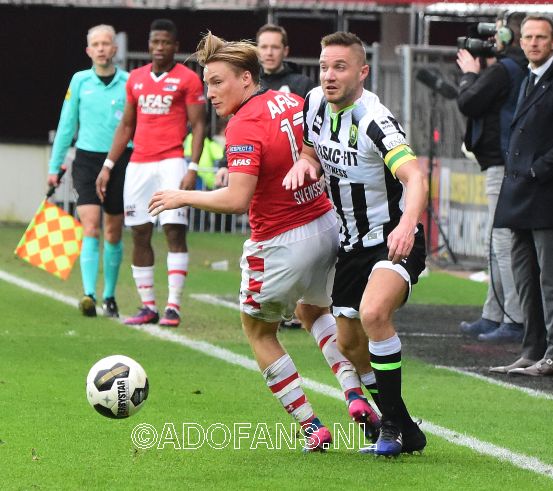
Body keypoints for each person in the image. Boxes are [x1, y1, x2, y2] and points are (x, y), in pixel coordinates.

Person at [148, 32, 380, 451]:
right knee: (313, 311)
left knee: (258, 332)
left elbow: (238, 200)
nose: (210, 92)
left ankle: (313, 428)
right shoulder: (292, 101)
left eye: (219, 81)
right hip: (326, 225)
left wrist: (181, 195)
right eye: (207, 83)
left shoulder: (243, 124)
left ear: (247, 79)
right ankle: (355, 396)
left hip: (280, 241)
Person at [283, 31, 428, 457]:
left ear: (362, 72)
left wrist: (407, 225)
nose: (329, 76)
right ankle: (404, 428)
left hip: (391, 238)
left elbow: (416, 177)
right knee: (348, 344)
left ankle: (391, 430)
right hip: (349, 243)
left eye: (340, 68)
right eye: (325, 67)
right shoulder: (312, 103)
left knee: (373, 313)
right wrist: (304, 165)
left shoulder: (374, 120)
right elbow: (310, 150)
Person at [490, 15, 553, 377]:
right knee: (525, 279)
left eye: (540, 37)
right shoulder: (529, 78)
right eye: (528, 36)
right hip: (520, 195)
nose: (532, 42)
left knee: (552, 280)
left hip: (546, 197)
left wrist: (535, 171)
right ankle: (531, 350)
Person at [96, 18, 206, 327]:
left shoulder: (188, 79)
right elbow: (126, 125)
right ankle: (148, 307)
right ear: (149, 45)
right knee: (139, 231)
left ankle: (173, 307)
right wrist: (108, 165)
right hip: (139, 164)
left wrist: (192, 166)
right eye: (154, 42)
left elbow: (199, 125)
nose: (159, 48)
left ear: (175, 46)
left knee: (173, 230)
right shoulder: (135, 78)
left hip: (171, 162)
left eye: (165, 43)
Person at [48, 24, 130, 318]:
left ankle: (109, 296)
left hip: (121, 160)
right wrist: (54, 165)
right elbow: (66, 124)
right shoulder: (80, 81)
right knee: (90, 224)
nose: (101, 48)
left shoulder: (128, 82)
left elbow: (137, 126)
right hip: (86, 159)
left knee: (113, 230)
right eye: (95, 44)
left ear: (114, 48)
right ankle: (88, 294)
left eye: (106, 43)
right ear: (88, 50)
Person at [456, 11, 527, 344]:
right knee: (495, 244)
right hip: (504, 162)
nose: (490, 42)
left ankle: (514, 318)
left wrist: (470, 75)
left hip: (503, 163)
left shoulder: (505, 69)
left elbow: (468, 102)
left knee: (502, 243)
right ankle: (495, 313)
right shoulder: (512, 68)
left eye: (497, 34)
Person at [214, 24, 316, 198]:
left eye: (275, 47)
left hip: (298, 171)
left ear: (286, 51)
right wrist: (225, 164)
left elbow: (316, 126)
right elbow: (238, 126)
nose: (269, 53)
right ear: (257, 51)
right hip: (259, 171)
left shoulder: (303, 84)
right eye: (264, 47)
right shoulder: (248, 85)